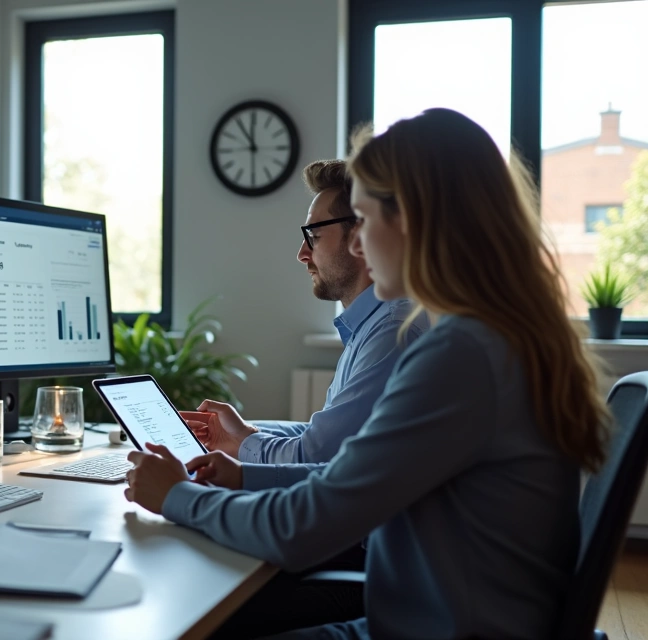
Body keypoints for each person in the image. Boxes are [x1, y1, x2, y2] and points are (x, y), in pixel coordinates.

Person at [125, 109, 610, 639]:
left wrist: (175, 495)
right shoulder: (496, 335)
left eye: (365, 220)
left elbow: (303, 528)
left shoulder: (461, 354)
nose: (358, 244)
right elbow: (355, 480)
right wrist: (245, 474)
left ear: (412, 220)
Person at [183, 160, 427, 465]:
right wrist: (244, 432)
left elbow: (317, 455)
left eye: (313, 234)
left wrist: (244, 443)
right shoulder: (371, 324)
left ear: (360, 237)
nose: (302, 254)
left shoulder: (392, 331)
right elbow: (319, 436)